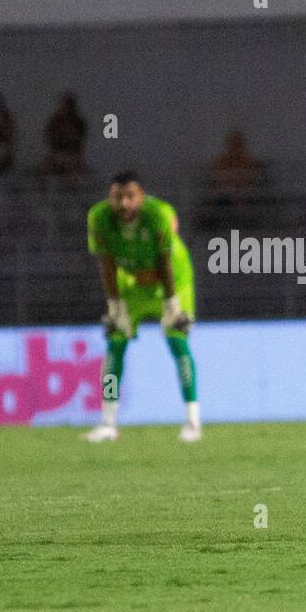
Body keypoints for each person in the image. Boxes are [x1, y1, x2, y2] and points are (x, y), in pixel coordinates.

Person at [83, 171, 201, 443]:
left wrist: (172, 305)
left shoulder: (159, 214)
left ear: (142, 197)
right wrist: (114, 306)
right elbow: (107, 264)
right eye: (118, 197)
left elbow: (165, 261)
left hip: (172, 281)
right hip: (132, 282)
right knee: (114, 347)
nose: (124, 204)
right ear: (110, 197)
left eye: (130, 197)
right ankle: (108, 423)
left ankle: (192, 421)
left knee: (177, 343)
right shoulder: (99, 218)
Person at [41, 92, 87, 188]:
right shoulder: (55, 120)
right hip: (56, 153)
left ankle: (69, 189)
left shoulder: (78, 121)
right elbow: (49, 139)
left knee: (74, 165)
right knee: (47, 164)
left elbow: (80, 142)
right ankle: (45, 189)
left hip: (72, 155)